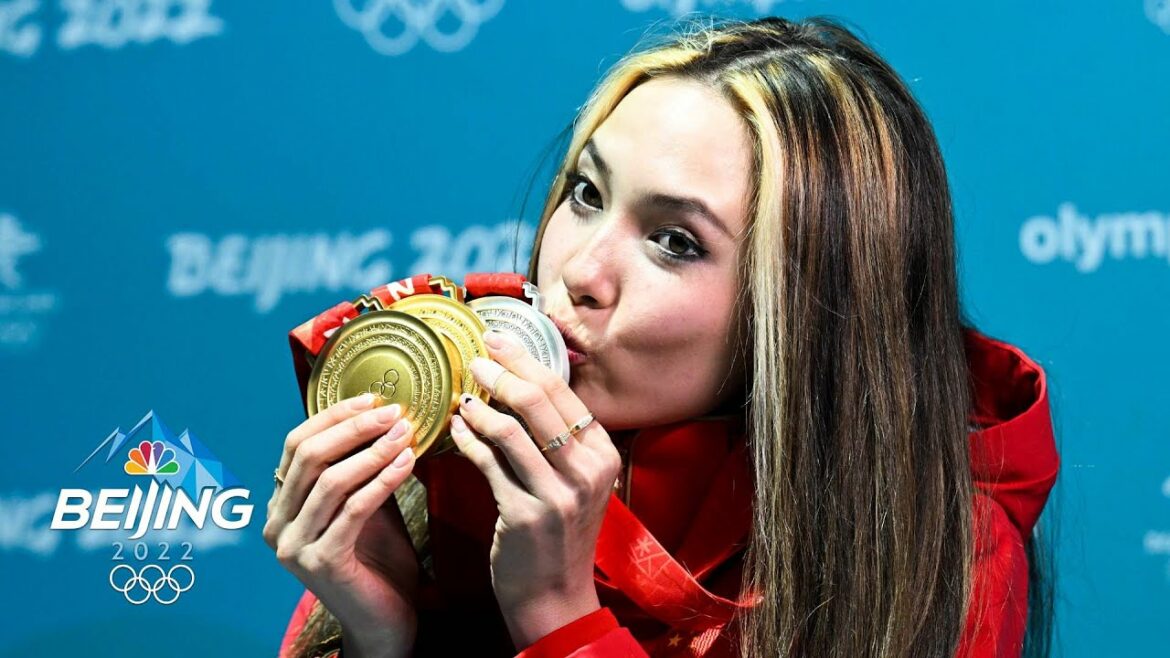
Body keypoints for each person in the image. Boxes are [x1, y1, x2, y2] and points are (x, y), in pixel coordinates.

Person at [264, 15, 1060, 658]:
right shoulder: (450, 474)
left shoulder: (945, 548)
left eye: (675, 241)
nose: (580, 270)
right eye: (585, 192)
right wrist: (381, 637)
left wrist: (556, 615)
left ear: (804, 317)